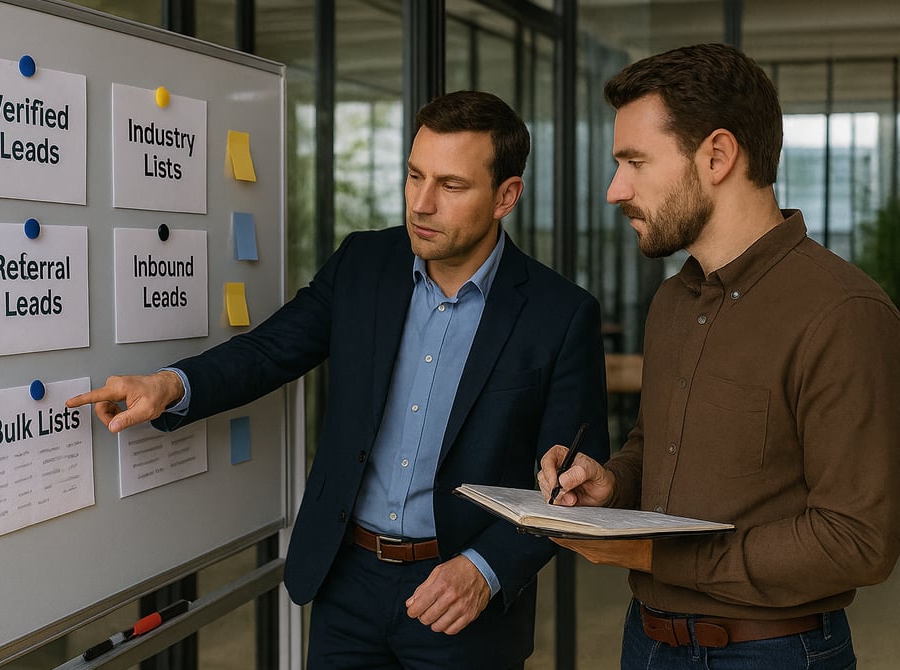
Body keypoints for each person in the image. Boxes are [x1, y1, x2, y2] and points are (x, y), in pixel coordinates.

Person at [68, 90, 610, 669]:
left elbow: (569, 481)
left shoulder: (559, 313)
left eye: (451, 186)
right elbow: (269, 350)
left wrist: (486, 568)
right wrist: (169, 386)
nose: (422, 204)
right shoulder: (363, 265)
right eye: (414, 176)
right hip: (346, 582)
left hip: (461, 598)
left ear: (507, 196)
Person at [537, 43, 900, 670]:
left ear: (717, 156)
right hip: (644, 641)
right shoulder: (672, 302)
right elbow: (656, 448)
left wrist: (659, 556)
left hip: (775, 654)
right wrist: (612, 485)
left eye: (634, 162)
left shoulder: (843, 313)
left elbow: (858, 541)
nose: (613, 189)